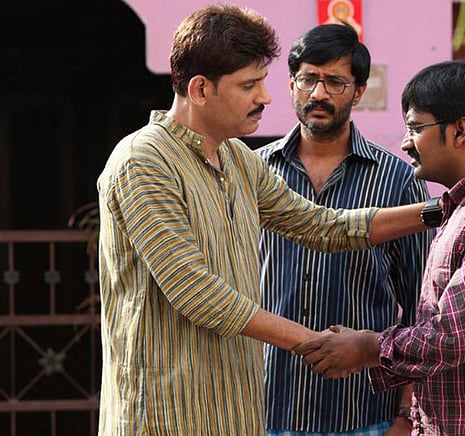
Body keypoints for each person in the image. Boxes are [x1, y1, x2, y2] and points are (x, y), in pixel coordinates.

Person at [96, 4, 433, 435]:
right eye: (249, 85)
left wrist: (441, 209)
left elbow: (323, 225)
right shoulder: (143, 161)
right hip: (166, 416)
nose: (265, 97)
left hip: (236, 413)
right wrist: (316, 344)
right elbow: (199, 293)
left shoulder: (238, 159)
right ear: (200, 89)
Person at [294, 59, 465, 435]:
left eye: (416, 128)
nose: (406, 143)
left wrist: (368, 347)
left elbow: (453, 335)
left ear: (460, 130)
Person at [257, 24, 431, 436]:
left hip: (363, 413)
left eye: (335, 82)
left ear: (358, 91)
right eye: (308, 79)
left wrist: (406, 414)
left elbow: (421, 304)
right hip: (264, 407)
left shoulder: (397, 181)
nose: (318, 93)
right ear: (291, 84)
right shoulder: (253, 172)